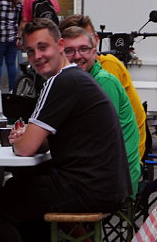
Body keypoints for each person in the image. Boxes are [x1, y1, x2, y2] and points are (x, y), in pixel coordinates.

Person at [0, 18, 131, 242]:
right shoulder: (75, 79)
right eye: (30, 50)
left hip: (89, 185)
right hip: (104, 183)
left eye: (43, 47)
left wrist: (22, 139)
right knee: (19, 191)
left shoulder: (61, 81)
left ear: (60, 45)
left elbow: (26, 149)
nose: (37, 56)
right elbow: (47, 140)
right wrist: (29, 138)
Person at [58, 14, 147, 160]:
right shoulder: (74, 75)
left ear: (95, 42)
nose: (77, 55)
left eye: (84, 46)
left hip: (122, 161)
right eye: (70, 49)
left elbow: (99, 133)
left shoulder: (106, 71)